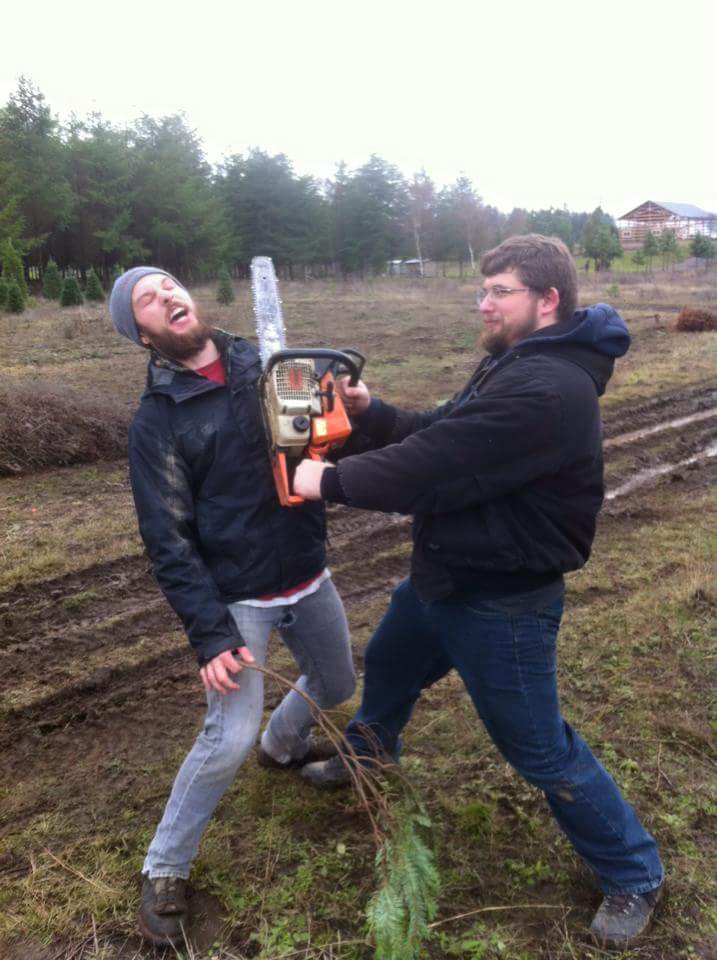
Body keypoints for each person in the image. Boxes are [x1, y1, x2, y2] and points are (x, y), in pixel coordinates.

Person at [292, 235, 664, 949]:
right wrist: (371, 413)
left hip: (501, 601)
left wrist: (329, 481)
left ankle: (633, 872)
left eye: (499, 290)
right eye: (483, 288)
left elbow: (435, 462)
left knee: (538, 750)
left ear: (546, 300)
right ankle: (369, 755)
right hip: (447, 573)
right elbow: (440, 430)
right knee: (392, 665)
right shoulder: (515, 363)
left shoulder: (548, 388)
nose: (483, 301)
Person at [109, 267, 355, 946]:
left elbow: (325, 447)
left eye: (168, 285)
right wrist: (211, 636)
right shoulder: (158, 422)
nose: (166, 297)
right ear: (145, 335)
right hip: (237, 598)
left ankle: (284, 746)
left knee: (337, 683)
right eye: (147, 301)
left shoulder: (268, 359)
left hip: (306, 573)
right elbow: (168, 541)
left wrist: (337, 412)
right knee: (227, 736)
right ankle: (164, 866)